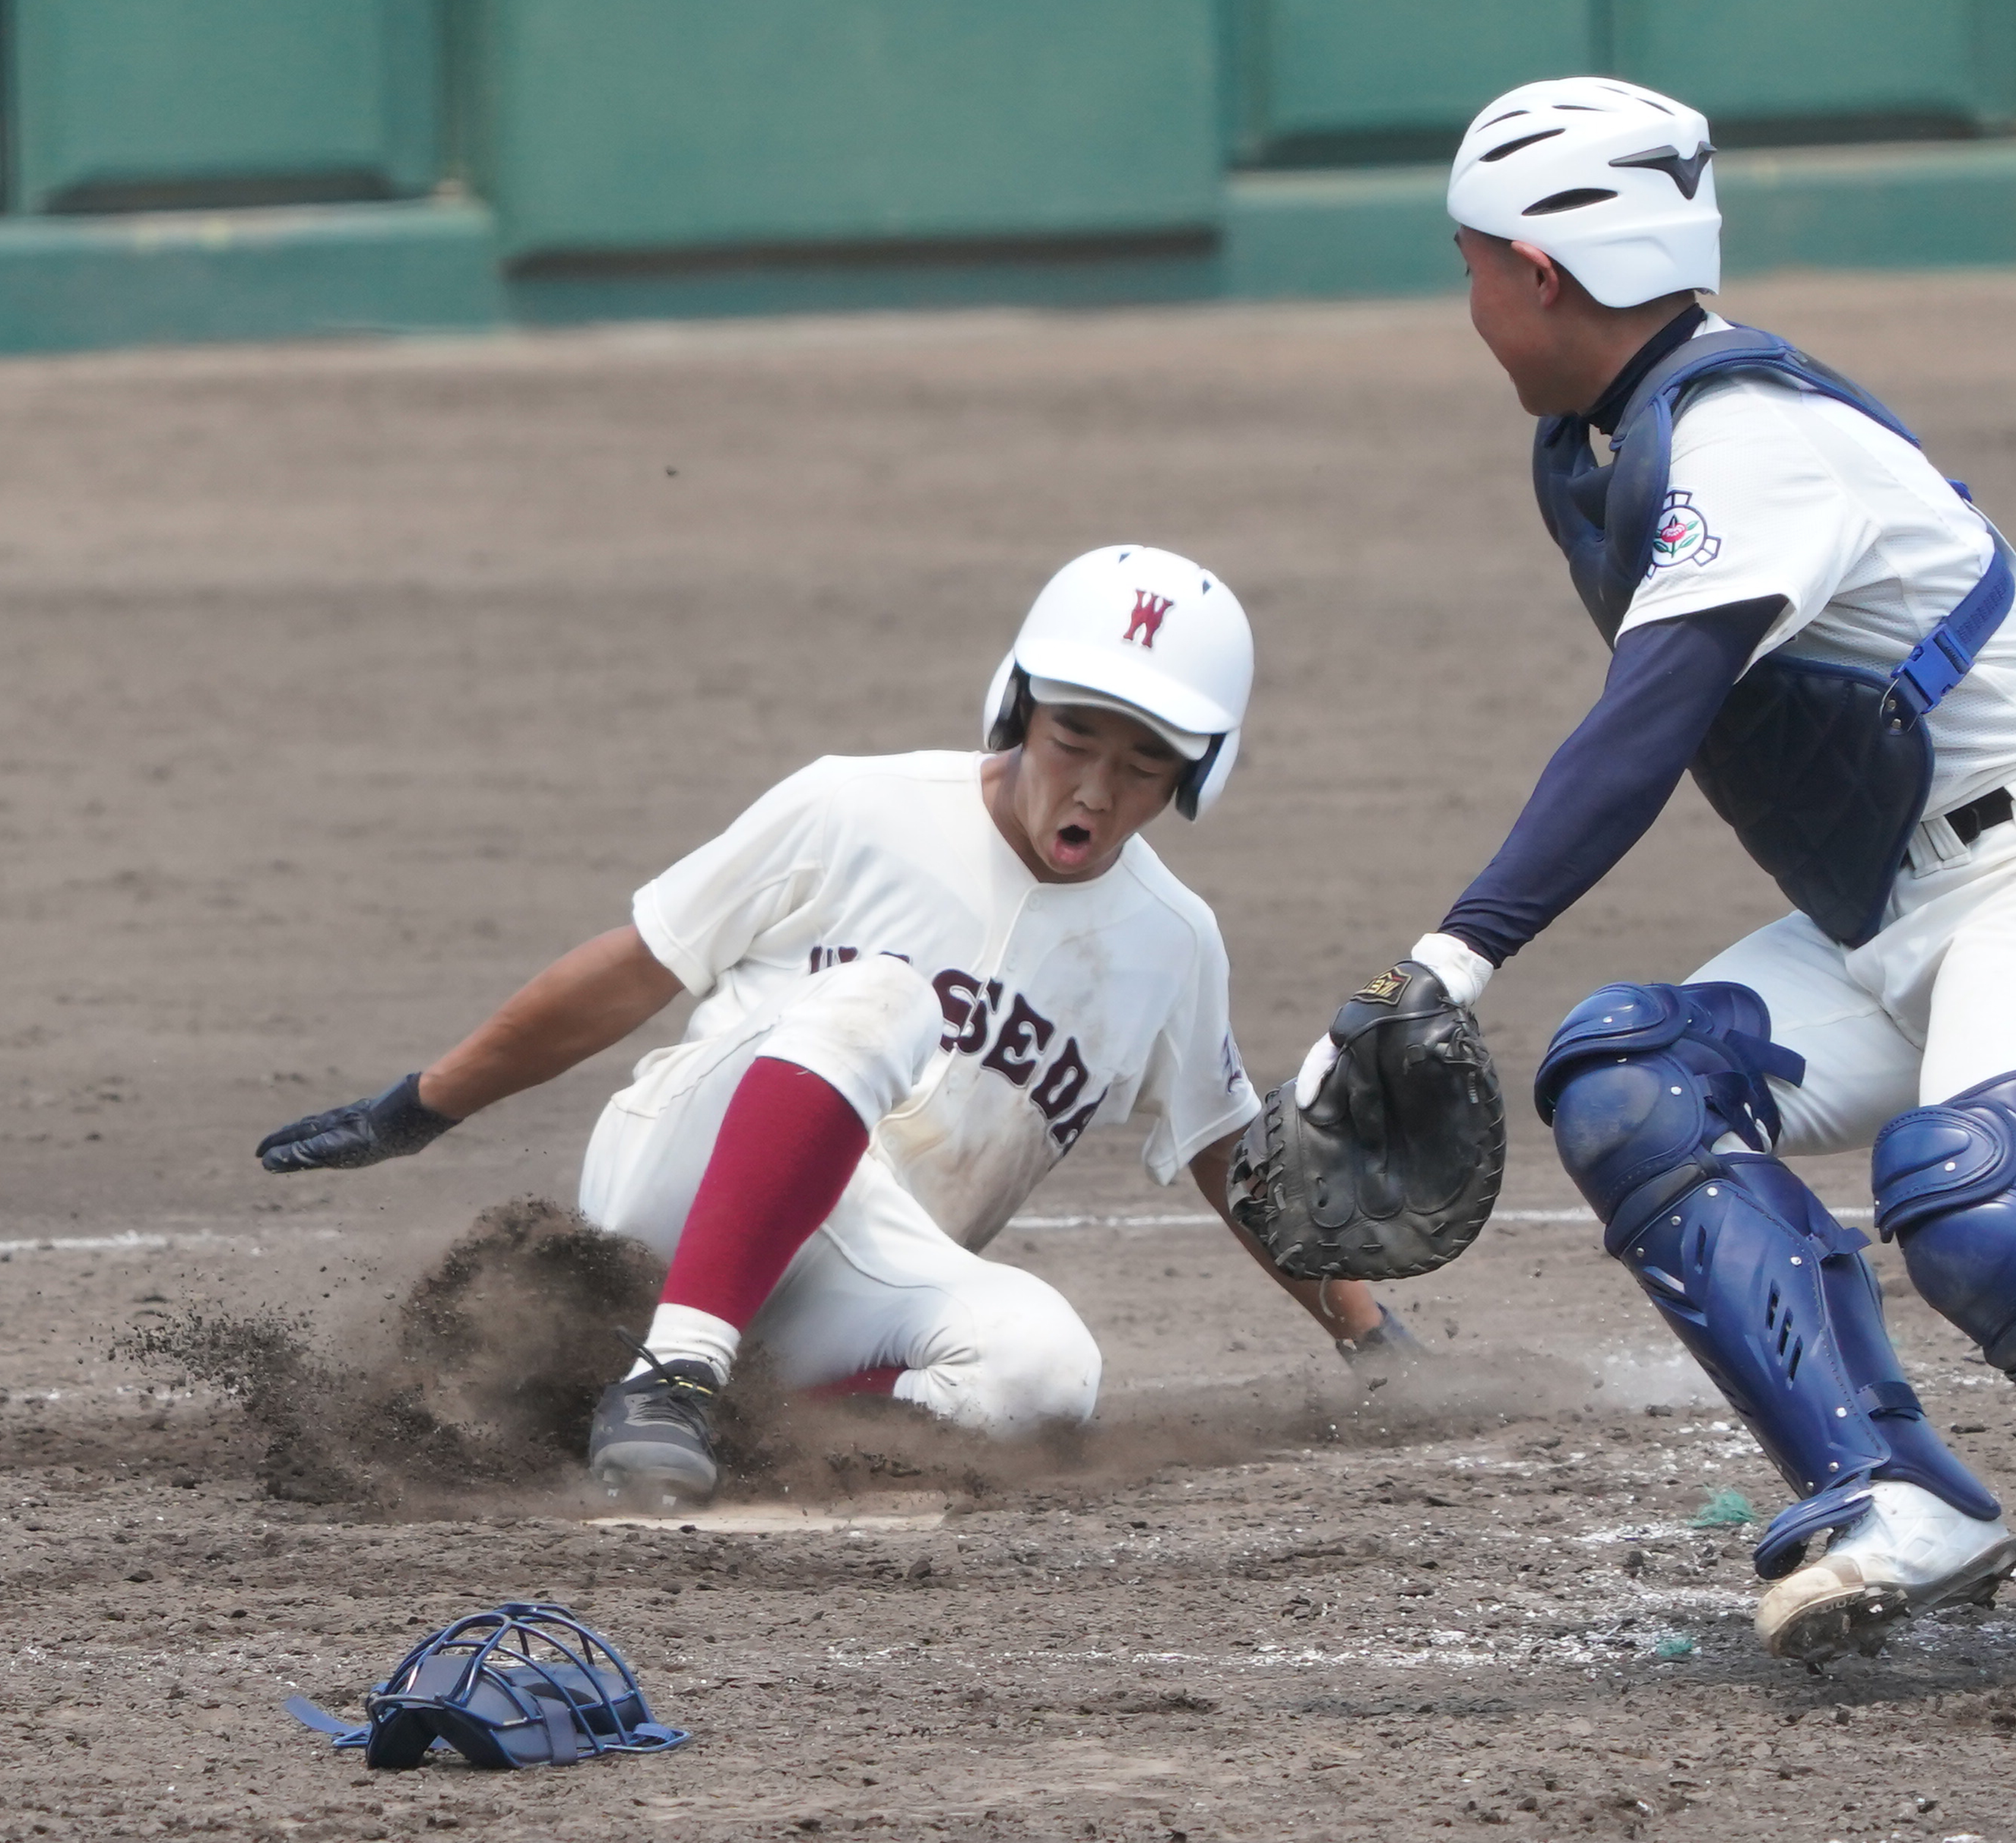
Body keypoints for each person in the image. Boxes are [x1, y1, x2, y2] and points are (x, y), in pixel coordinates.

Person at [1289, 77, 2016, 1703]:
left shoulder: (1753, 445)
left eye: (1472, 262)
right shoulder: (1620, 438)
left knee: (1976, 1199)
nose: (1465, 298)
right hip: (1888, 920)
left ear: (1541, 274)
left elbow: (1646, 723)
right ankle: (1901, 1493)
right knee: (1631, 1079)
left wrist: (1444, 963)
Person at [258, 544, 1413, 1503]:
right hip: (681, 1177)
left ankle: (705, 1420)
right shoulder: (853, 806)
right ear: (1016, 709)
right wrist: (420, 1107)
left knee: (1046, 1369)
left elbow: (1229, 1153)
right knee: (886, 994)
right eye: (1072, 741)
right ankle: (672, 1370)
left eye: (1143, 764)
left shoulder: (1171, 940)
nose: (1096, 791)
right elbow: (635, 969)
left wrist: (1370, 1340)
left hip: (848, 1287)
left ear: (1194, 777)